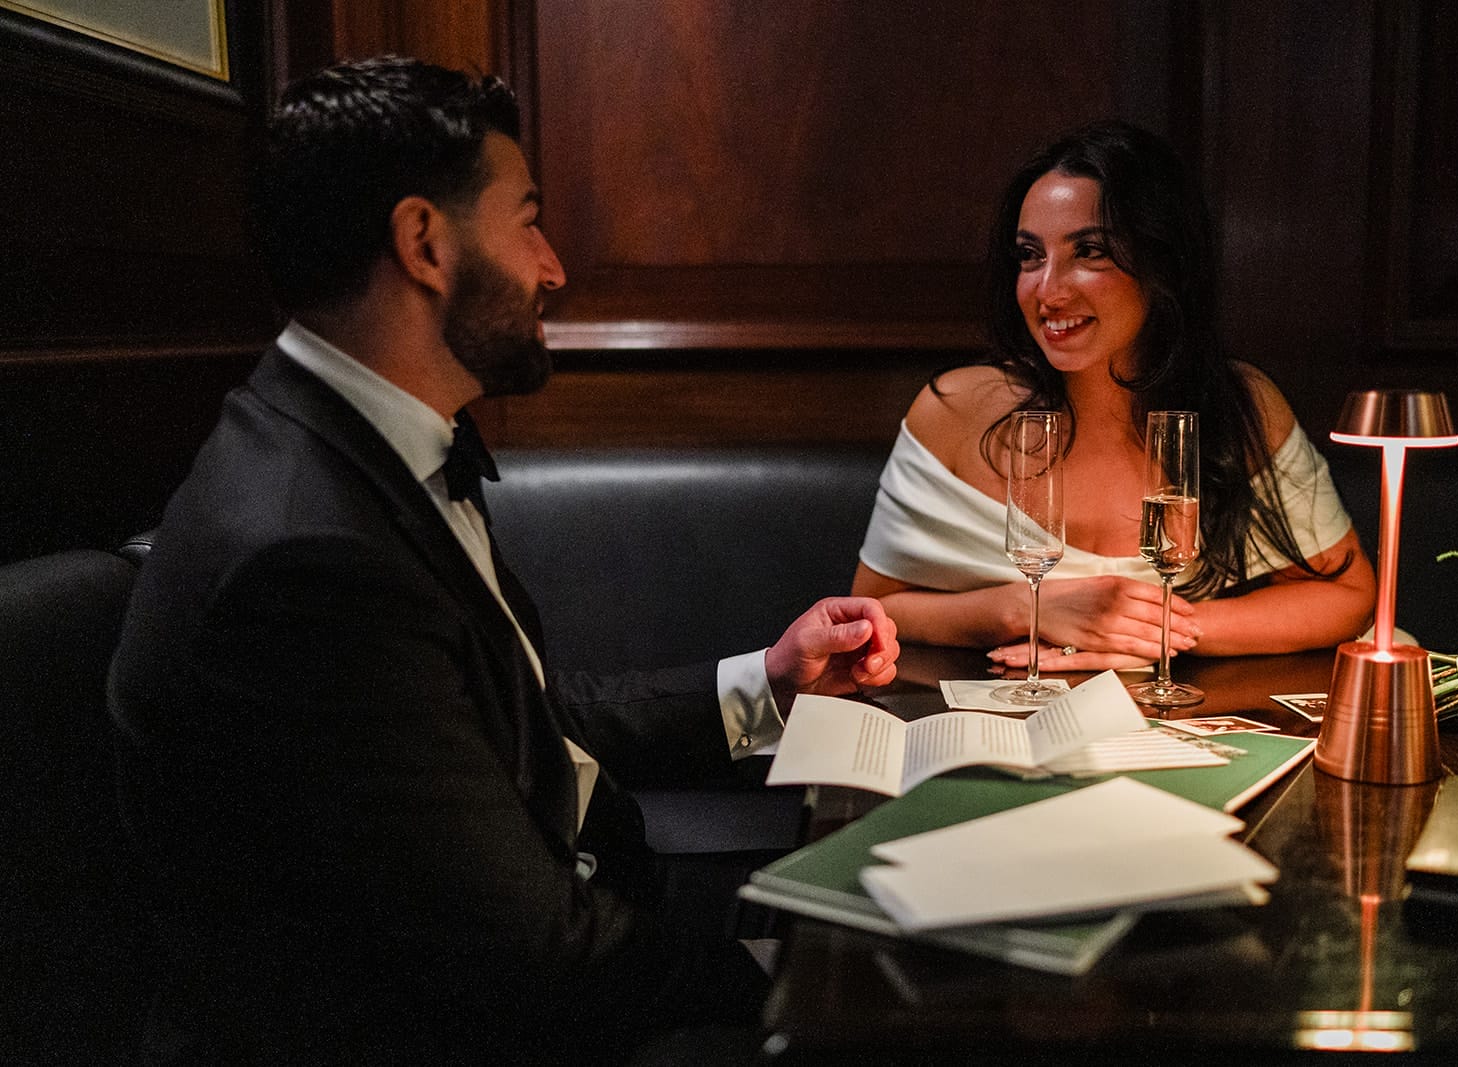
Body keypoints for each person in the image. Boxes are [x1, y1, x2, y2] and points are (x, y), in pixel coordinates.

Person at [109, 56, 898, 1064]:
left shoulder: (351, 450)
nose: (553, 265)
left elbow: (502, 720)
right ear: (424, 243)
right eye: (526, 219)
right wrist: (802, 967)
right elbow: (534, 965)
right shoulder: (305, 558)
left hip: (558, 939)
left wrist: (768, 684)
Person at [852, 120, 1374, 672]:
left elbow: (1346, 596)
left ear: (1162, 265)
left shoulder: (1239, 405)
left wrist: (1153, 629)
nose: (1048, 291)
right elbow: (876, 608)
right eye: (1030, 255)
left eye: (1090, 251)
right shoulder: (955, 412)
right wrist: (1023, 610)